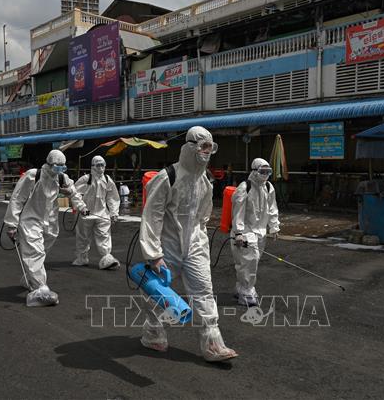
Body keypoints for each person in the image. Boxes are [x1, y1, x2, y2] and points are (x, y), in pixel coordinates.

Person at [139, 126, 238, 362]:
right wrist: (154, 253)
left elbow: (203, 216)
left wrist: (199, 240)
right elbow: (152, 215)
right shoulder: (168, 176)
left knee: (204, 291)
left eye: (210, 148)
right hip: (168, 245)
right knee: (159, 294)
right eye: (203, 147)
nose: (207, 152)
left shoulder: (204, 181)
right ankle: (152, 331)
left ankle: (213, 343)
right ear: (191, 146)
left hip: (195, 245)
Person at [3, 149, 88, 307]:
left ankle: (29, 277)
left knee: (41, 252)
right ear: (49, 164)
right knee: (35, 252)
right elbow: (17, 198)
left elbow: (74, 193)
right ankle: (40, 289)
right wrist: (12, 223)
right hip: (31, 220)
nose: (60, 171)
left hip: (50, 222)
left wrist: (82, 207)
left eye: (63, 168)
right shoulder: (33, 176)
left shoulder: (62, 177)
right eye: (57, 167)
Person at [230, 158, 280, 307]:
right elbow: (237, 211)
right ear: (254, 171)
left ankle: (240, 287)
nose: (265, 174)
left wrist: (274, 227)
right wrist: (238, 232)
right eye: (262, 171)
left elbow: (272, 208)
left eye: (267, 172)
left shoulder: (269, 187)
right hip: (246, 231)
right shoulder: (245, 187)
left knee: (253, 262)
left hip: (261, 231)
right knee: (249, 261)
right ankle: (246, 290)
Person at [72, 155, 121, 269]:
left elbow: (113, 198)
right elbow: (75, 194)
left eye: (102, 165)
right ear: (92, 166)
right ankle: (82, 258)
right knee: (83, 238)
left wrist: (114, 213)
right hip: (86, 214)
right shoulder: (85, 179)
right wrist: (81, 207)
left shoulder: (108, 180)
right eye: (98, 165)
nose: (100, 168)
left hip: (102, 214)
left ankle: (107, 258)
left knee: (104, 236)